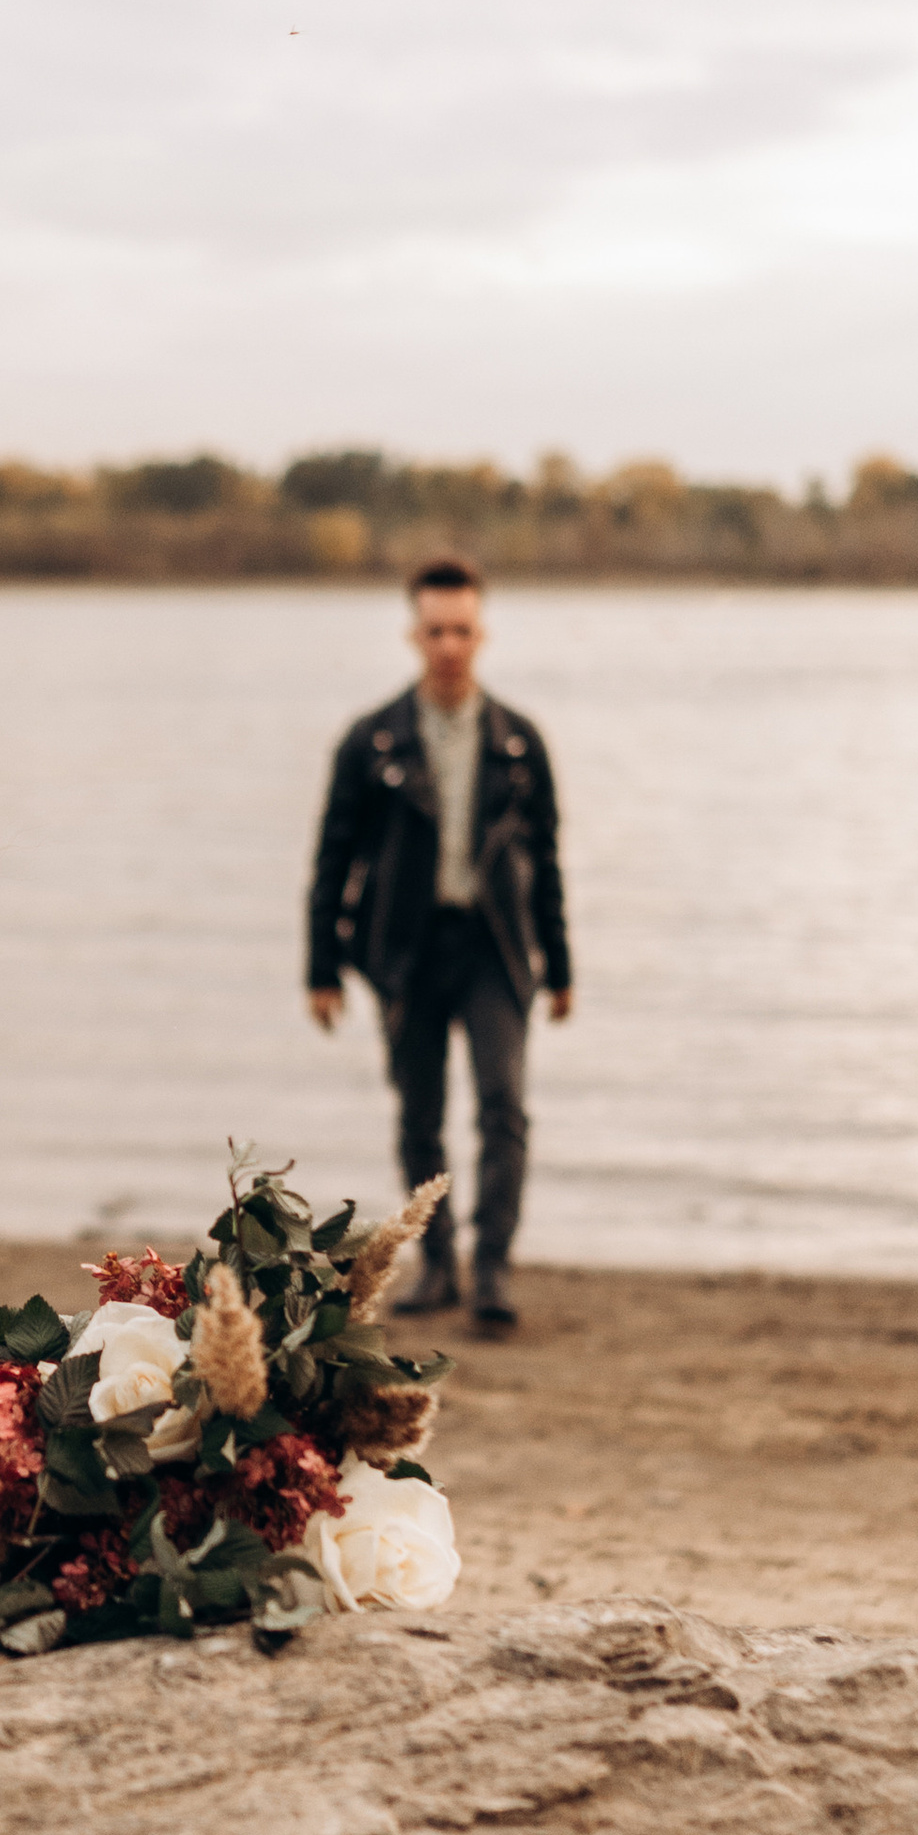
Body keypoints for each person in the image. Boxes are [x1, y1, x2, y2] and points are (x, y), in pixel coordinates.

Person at [305, 557, 572, 1331]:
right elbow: (333, 858)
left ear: (480, 634)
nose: (449, 645)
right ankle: (437, 1263)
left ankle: (492, 1271)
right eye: (435, 630)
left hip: (496, 948)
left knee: (504, 1110)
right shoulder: (372, 740)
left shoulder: (518, 742)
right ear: (412, 634)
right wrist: (322, 966)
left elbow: (546, 859)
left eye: (462, 630)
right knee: (420, 1116)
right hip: (406, 949)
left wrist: (560, 965)